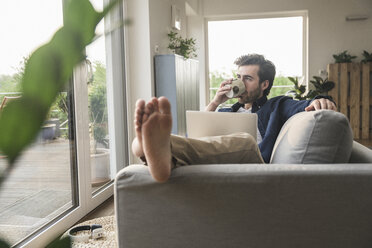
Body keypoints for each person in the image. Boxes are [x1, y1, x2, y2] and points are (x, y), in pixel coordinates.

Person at [132, 54, 337, 182]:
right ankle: (157, 150)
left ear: (264, 84)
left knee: (246, 142)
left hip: (253, 163)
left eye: (248, 78)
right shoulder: (227, 111)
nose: (241, 82)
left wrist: (322, 100)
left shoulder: (277, 105)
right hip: (216, 163)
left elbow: (303, 105)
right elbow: (196, 134)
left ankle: (157, 147)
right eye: (239, 77)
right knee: (151, 142)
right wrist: (215, 102)